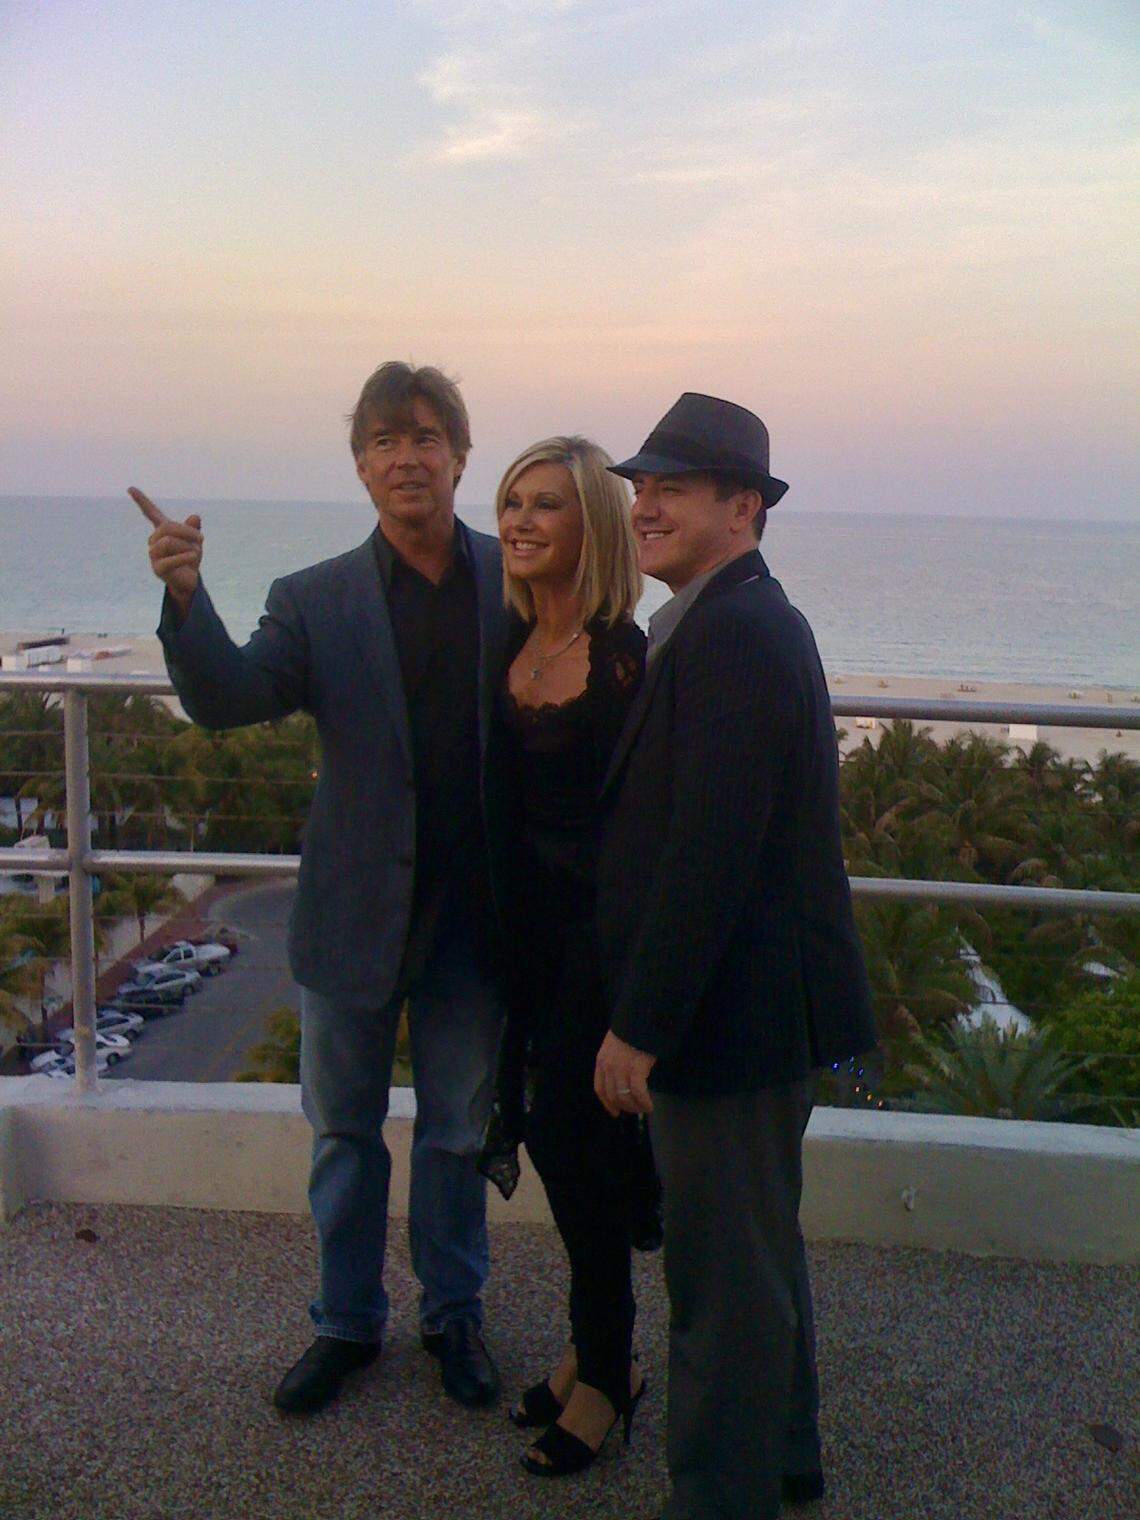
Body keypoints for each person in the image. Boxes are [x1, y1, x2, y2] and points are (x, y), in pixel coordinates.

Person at [131, 362, 510, 1416]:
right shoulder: (316, 598)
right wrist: (184, 596)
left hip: (474, 921)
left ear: (459, 455)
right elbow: (224, 698)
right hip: (350, 916)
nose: (406, 456)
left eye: (426, 436)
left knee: (454, 1134)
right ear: (360, 466)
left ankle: (454, 1313)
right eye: (385, 440)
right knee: (343, 1133)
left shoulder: (515, 580)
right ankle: (346, 1322)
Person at [592, 393, 877, 1519]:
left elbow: (713, 850)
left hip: (729, 1017)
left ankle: (720, 1497)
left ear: (744, 509)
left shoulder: (740, 633)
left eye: (671, 485)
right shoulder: (722, 620)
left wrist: (640, 1025)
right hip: (746, 1007)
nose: (642, 501)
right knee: (756, 1257)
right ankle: (783, 1457)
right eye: (639, 483)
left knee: (720, 1284)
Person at [475, 436, 651, 1478]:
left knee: (574, 1145)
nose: (521, 520)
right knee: (559, 1145)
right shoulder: (504, 638)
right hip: (525, 936)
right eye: (510, 501)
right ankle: (595, 1347)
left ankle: (611, 1373)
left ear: (593, 525)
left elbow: (646, 819)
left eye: (546, 504)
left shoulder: (620, 651)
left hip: (598, 935)